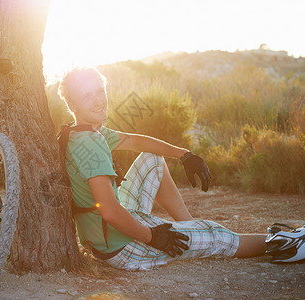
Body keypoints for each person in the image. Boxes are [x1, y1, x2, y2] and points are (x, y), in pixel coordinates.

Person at [57, 67, 267, 270]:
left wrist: (184, 154)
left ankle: (191, 228)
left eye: (100, 92)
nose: (98, 101)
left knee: (152, 160)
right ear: (73, 106)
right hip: (120, 248)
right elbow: (110, 211)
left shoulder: (81, 133)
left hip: (101, 237)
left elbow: (136, 142)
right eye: (87, 96)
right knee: (216, 235)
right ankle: (283, 243)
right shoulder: (92, 143)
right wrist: (153, 236)